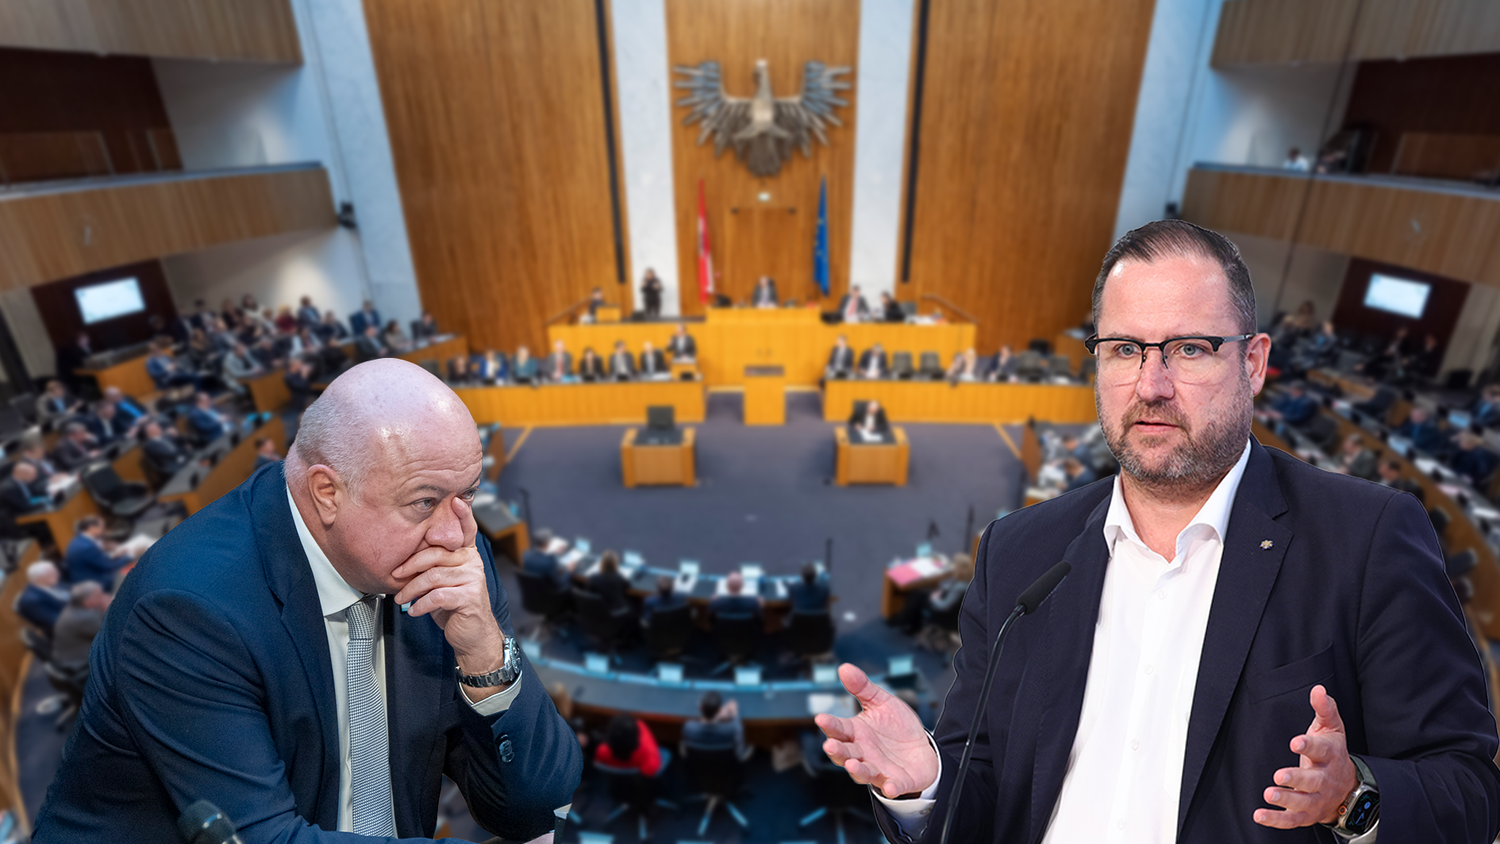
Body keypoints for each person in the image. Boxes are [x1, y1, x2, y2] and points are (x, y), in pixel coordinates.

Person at [817, 220, 1500, 843]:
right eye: (1123, 349)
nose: (1152, 384)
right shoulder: (1019, 552)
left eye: (1190, 348)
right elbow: (985, 787)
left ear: (1254, 364)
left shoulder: (1366, 539)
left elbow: (1469, 791)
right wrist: (926, 784)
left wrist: (1354, 795)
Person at [35, 359, 581, 842]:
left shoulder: (448, 558)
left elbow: (536, 807)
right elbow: (260, 838)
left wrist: (485, 650)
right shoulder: (187, 609)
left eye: (467, 495)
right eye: (424, 501)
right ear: (327, 493)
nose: (455, 532)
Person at [51, 581, 110, 671]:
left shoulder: (75, 607)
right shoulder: (84, 618)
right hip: (78, 661)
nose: (103, 597)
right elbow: (111, 634)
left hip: (70, 652)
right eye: (99, 596)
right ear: (87, 601)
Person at [65, 515, 132, 591]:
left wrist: (113, 555)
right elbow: (108, 567)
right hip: (93, 582)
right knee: (131, 572)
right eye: (101, 527)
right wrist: (131, 555)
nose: (103, 529)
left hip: (84, 576)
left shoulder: (78, 540)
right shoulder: (87, 547)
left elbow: (95, 559)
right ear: (92, 528)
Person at [682, 692, 748, 760]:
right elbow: (740, 753)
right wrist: (735, 714)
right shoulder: (733, 729)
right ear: (719, 710)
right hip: (724, 767)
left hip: (697, 767)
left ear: (700, 708)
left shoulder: (688, 727)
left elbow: (685, 751)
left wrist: (718, 715)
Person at [595, 714, 664, 777]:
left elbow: (597, 762)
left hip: (611, 782)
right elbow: (652, 768)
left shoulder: (602, 752)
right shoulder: (643, 753)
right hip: (636, 781)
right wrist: (640, 724)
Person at [16, 560, 68, 634]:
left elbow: (72, 592)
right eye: (52, 574)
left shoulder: (51, 582)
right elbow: (56, 622)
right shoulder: (31, 601)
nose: (58, 574)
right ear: (40, 578)